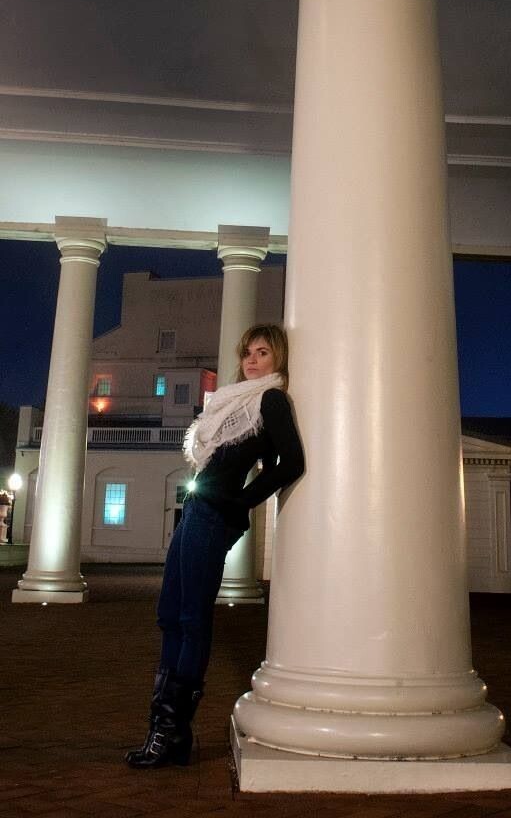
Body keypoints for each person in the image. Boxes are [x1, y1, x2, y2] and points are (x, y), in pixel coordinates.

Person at [125, 324, 304, 768]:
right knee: (169, 614)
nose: (252, 360)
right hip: (195, 510)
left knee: (192, 617)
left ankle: (170, 732)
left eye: (263, 352)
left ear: (278, 358)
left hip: (212, 515)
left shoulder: (270, 400)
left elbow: (291, 461)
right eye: (248, 352)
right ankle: (163, 730)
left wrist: (240, 502)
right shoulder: (232, 401)